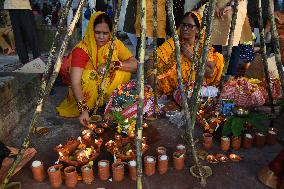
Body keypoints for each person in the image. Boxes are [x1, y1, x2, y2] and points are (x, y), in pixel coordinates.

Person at [57, 12, 137, 126]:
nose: (101, 37)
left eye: (105, 33)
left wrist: (112, 65)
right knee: (90, 75)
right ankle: (90, 105)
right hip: (84, 96)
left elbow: (135, 65)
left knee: (123, 71)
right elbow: (75, 82)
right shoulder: (82, 49)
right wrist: (84, 111)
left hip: (104, 91)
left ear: (110, 32)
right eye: (97, 32)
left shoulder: (114, 44)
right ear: (91, 30)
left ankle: (108, 102)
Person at [145, 11, 224, 95]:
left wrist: (191, 55)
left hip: (194, 86)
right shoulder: (174, 42)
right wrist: (151, 76)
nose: (185, 28)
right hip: (171, 87)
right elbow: (152, 59)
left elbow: (209, 73)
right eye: (183, 25)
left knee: (219, 57)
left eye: (190, 26)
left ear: (197, 30)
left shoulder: (203, 46)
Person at [209, 0, 253, 78]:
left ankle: (230, 76)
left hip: (236, 6)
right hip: (218, 6)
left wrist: (231, 5)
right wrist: (214, 5)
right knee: (215, 40)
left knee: (235, 43)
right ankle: (215, 73)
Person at [4, 0, 40, 64]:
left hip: (24, 6)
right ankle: (24, 60)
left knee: (30, 34)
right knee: (18, 36)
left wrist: (34, 7)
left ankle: (37, 58)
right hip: (11, 6)